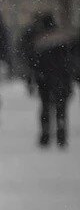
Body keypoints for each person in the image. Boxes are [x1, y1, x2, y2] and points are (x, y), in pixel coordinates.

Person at [32, 13, 76, 148]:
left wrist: (36, 77)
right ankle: (61, 135)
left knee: (46, 107)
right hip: (62, 79)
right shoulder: (64, 39)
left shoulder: (40, 41)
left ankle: (45, 134)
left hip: (45, 79)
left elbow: (35, 62)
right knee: (61, 108)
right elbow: (70, 61)